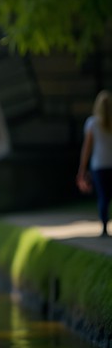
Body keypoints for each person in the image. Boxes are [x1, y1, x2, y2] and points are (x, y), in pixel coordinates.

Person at [76, 89, 112, 237]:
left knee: (103, 196)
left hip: (99, 165)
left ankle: (104, 226)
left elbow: (87, 148)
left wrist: (82, 169)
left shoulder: (92, 123)